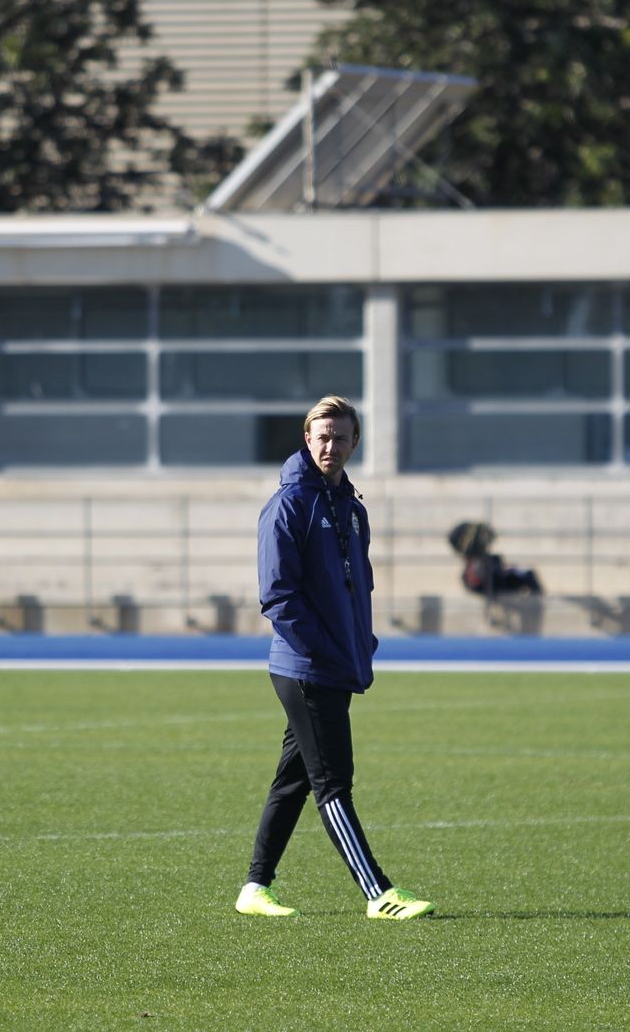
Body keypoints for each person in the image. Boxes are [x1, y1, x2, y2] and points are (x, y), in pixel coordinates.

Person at [235, 394, 435, 921]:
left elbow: (358, 586)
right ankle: (378, 893)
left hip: (335, 664)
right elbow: (278, 595)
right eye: (322, 437)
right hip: (306, 667)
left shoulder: (352, 508)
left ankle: (255, 886)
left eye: (340, 438)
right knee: (333, 782)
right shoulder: (288, 505)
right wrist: (324, 650)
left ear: (354, 443)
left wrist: (360, 643)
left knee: (295, 779)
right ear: (307, 439)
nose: (331, 446)